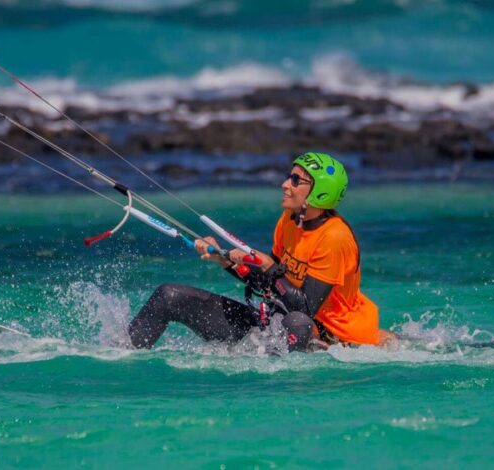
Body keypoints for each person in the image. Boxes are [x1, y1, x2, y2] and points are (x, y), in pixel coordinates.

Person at [127, 151, 383, 352]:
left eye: (295, 180)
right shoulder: (289, 220)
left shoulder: (334, 237)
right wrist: (224, 259)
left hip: (332, 338)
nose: (285, 184)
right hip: (277, 326)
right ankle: (123, 357)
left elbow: (304, 308)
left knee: (297, 322)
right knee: (168, 296)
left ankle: (281, 394)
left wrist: (267, 265)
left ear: (319, 191)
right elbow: (273, 288)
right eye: (288, 176)